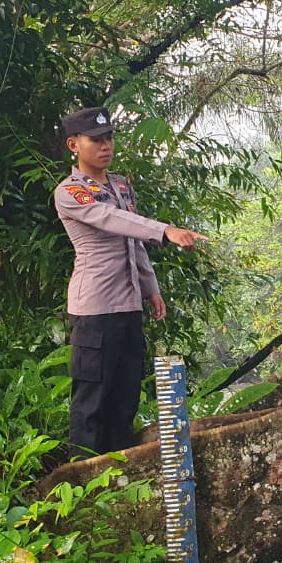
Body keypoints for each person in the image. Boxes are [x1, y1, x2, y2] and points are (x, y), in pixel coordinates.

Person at [55, 106, 207, 456]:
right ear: (73, 145)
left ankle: (119, 476)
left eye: (109, 138)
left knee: (125, 396)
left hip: (128, 304)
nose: (106, 146)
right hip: (94, 308)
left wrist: (150, 287)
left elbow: (132, 240)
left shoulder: (121, 185)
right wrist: (166, 231)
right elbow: (112, 220)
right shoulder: (72, 191)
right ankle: (82, 483)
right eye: (96, 140)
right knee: (92, 401)